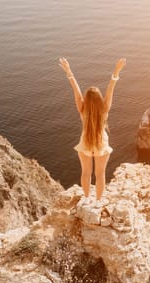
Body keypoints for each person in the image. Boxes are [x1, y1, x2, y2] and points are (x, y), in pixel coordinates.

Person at [58, 57, 126, 204]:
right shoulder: (104, 109)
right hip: (101, 143)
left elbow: (75, 90)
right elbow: (111, 88)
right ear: (99, 99)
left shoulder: (82, 109)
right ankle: (99, 201)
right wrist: (116, 71)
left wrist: (69, 71)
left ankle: (87, 198)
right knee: (100, 174)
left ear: (86, 100)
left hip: (85, 142)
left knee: (86, 172)